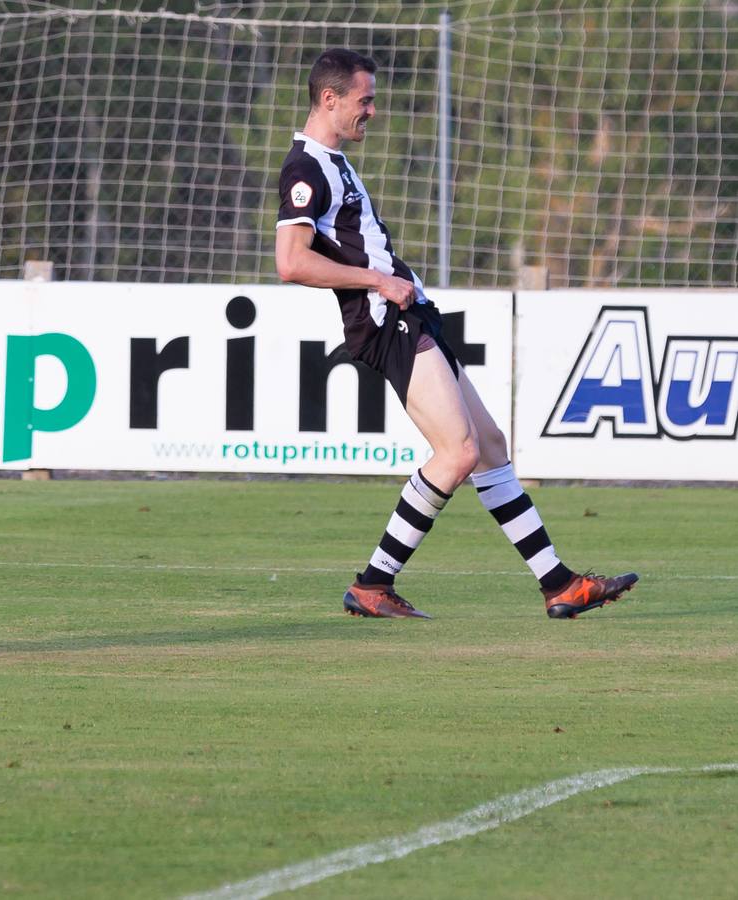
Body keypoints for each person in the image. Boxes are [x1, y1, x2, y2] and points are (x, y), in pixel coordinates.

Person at [273, 48, 637, 619]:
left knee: (489, 446)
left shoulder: (334, 162)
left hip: (409, 312)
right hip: (383, 320)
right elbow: (291, 263)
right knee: (459, 451)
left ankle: (559, 584)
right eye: (364, 100)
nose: (372, 110)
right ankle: (373, 584)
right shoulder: (306, 169)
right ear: (329, 98)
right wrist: (378, 280)